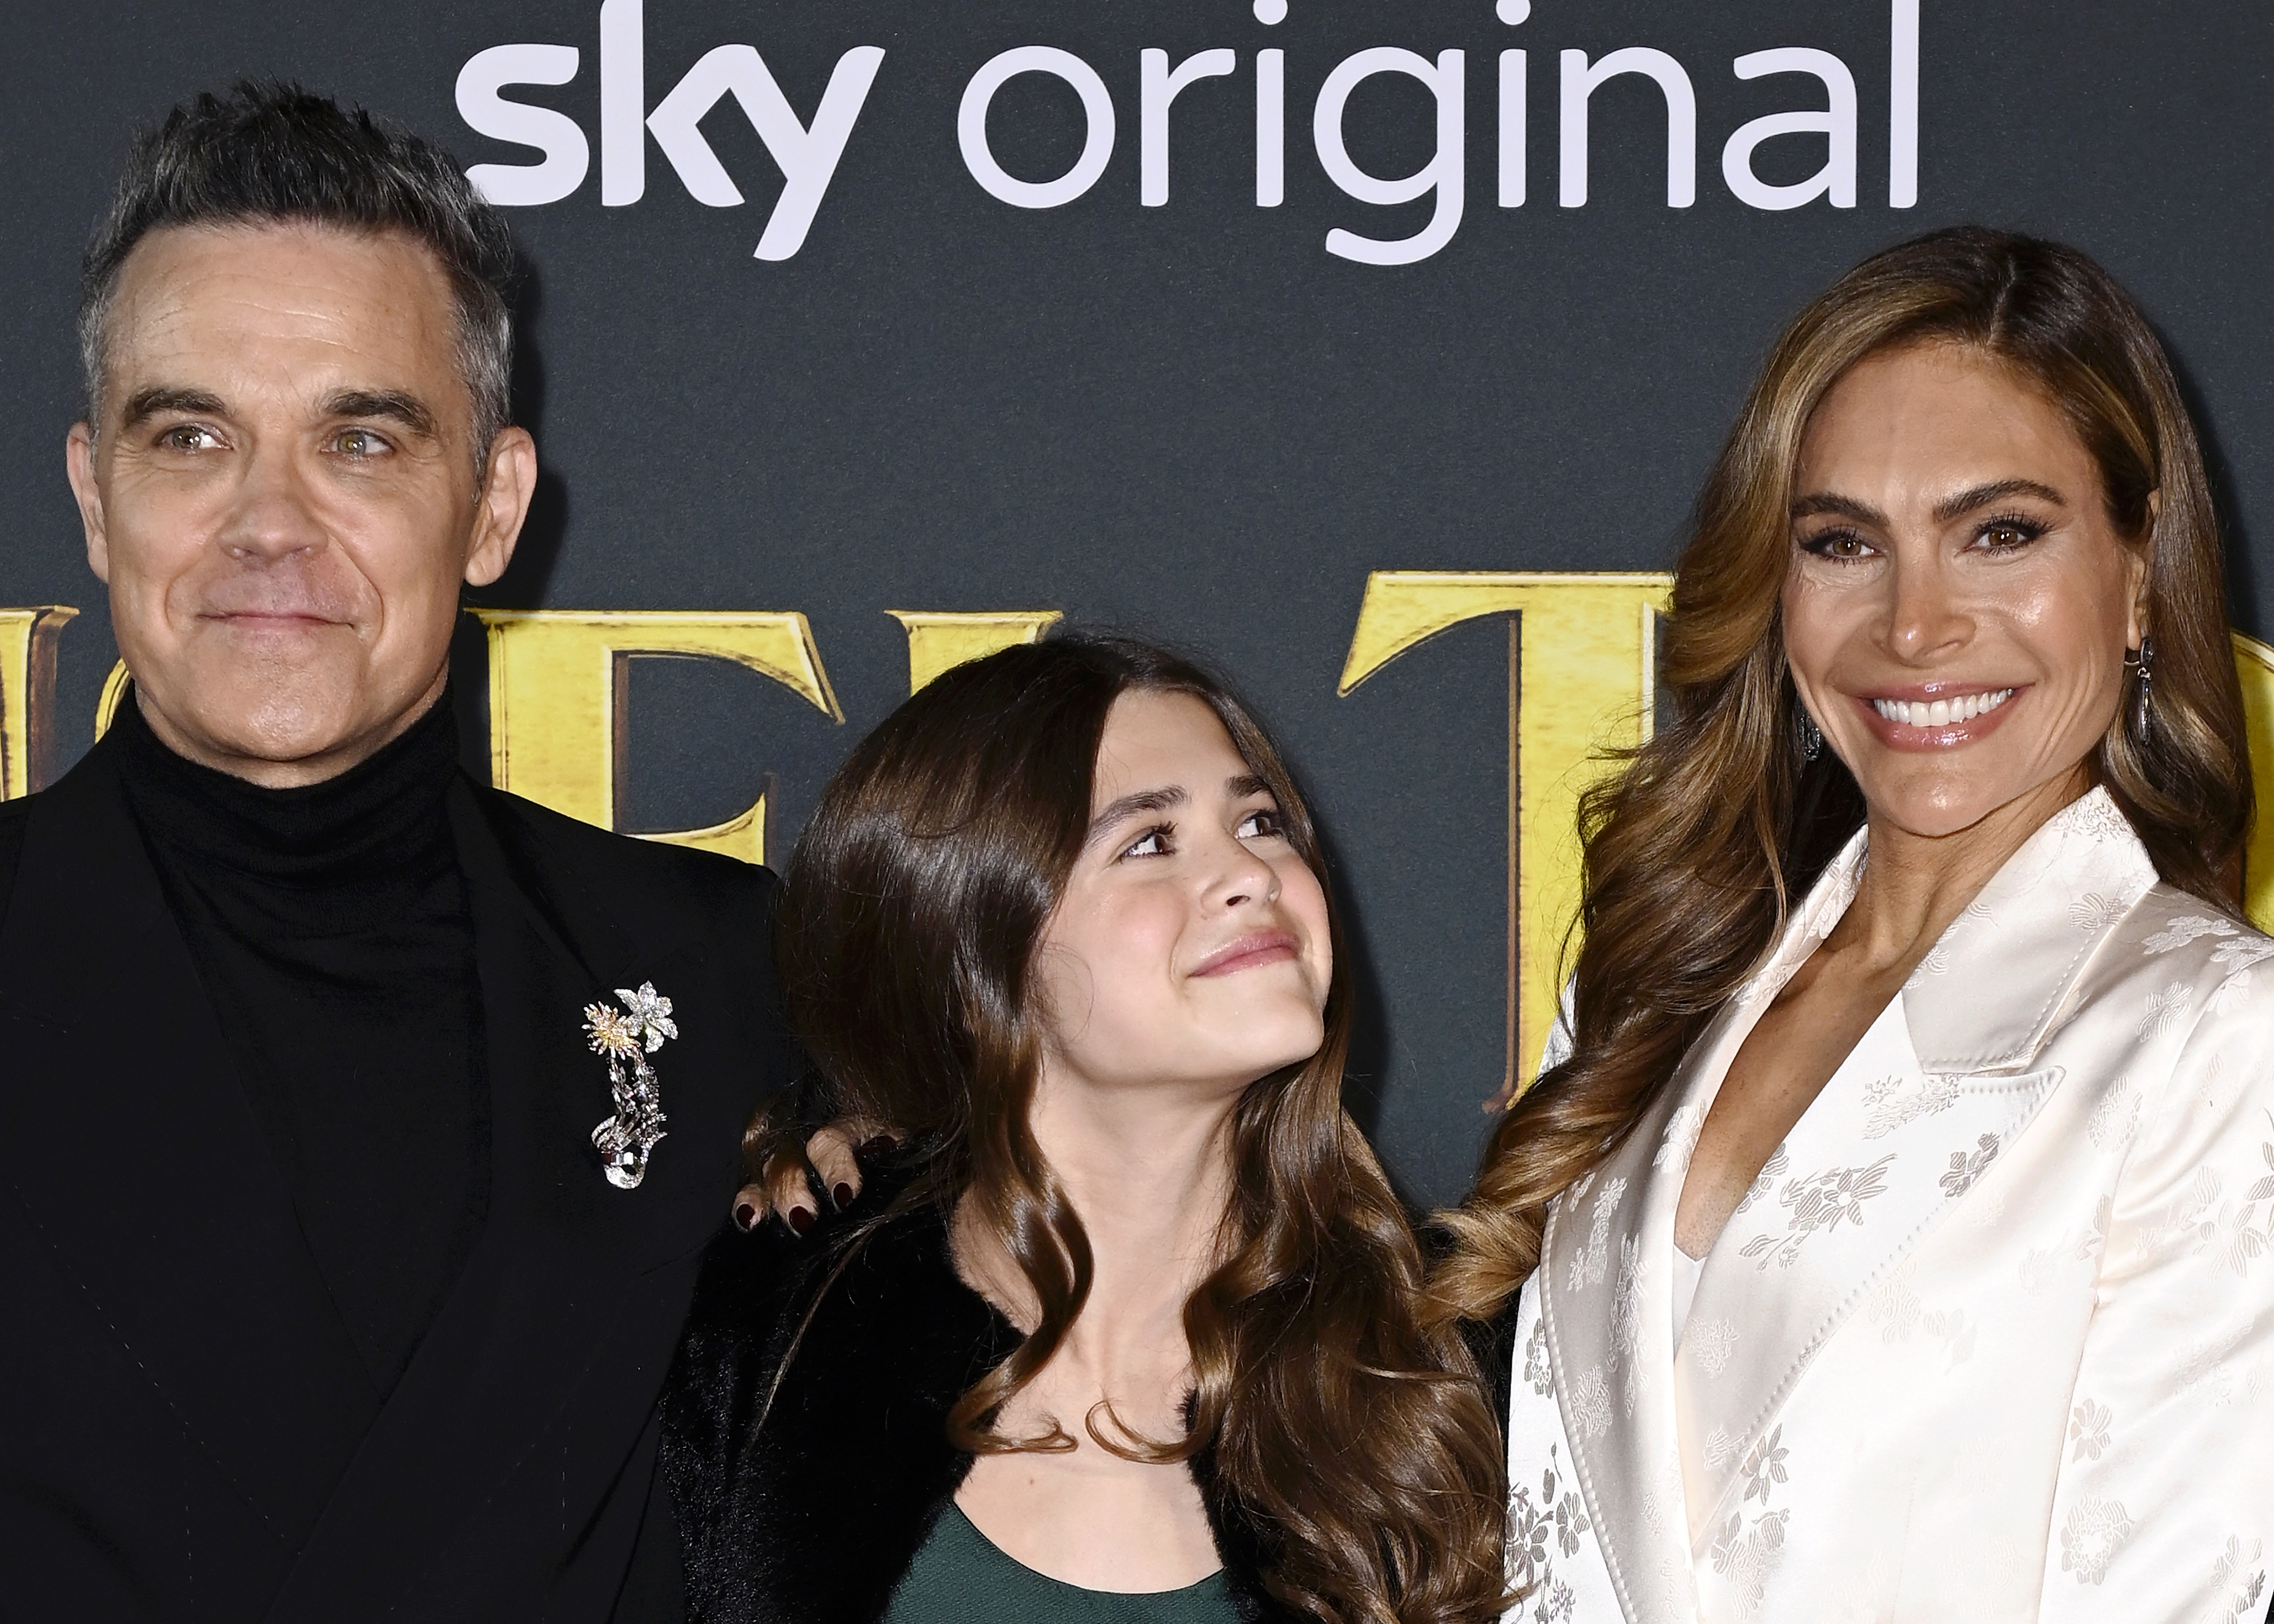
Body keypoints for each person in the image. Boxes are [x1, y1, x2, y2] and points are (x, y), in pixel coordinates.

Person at [0, 84, 795, 1620]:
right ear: (97, 497)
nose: (268, 525)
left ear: (491, 505)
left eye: (359, 439)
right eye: (192, 437)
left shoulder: (735, 974)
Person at [1428, 226, 2274, 1622]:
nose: (1915, 623)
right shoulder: (1658, 991)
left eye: (2001, 533)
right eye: (1840, 544)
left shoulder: (2212, 1040)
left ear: (2138, 576)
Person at [660, 635, 1509, 1624]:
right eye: (1149, 840)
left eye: (1263, 821)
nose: (1250, 873)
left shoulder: (1446, 1363)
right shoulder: (774, 1339)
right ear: (972, 958)